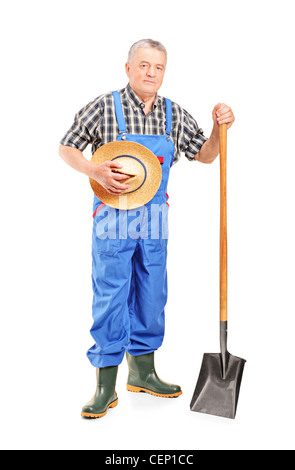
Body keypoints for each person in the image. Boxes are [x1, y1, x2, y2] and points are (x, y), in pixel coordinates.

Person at [59, 39, 235, 419]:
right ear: (128, 68)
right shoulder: (105, 107)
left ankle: (143, 373)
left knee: (153, 294)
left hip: (155, 220)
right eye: (143, 65)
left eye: (157, 67)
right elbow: (67, 147)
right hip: (112, 216)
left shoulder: (173, 113)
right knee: (111, 295)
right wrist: (93, 169)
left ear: (163, 72)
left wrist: (221, 130)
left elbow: (204, 155)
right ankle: (105, 386)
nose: (150, 73)